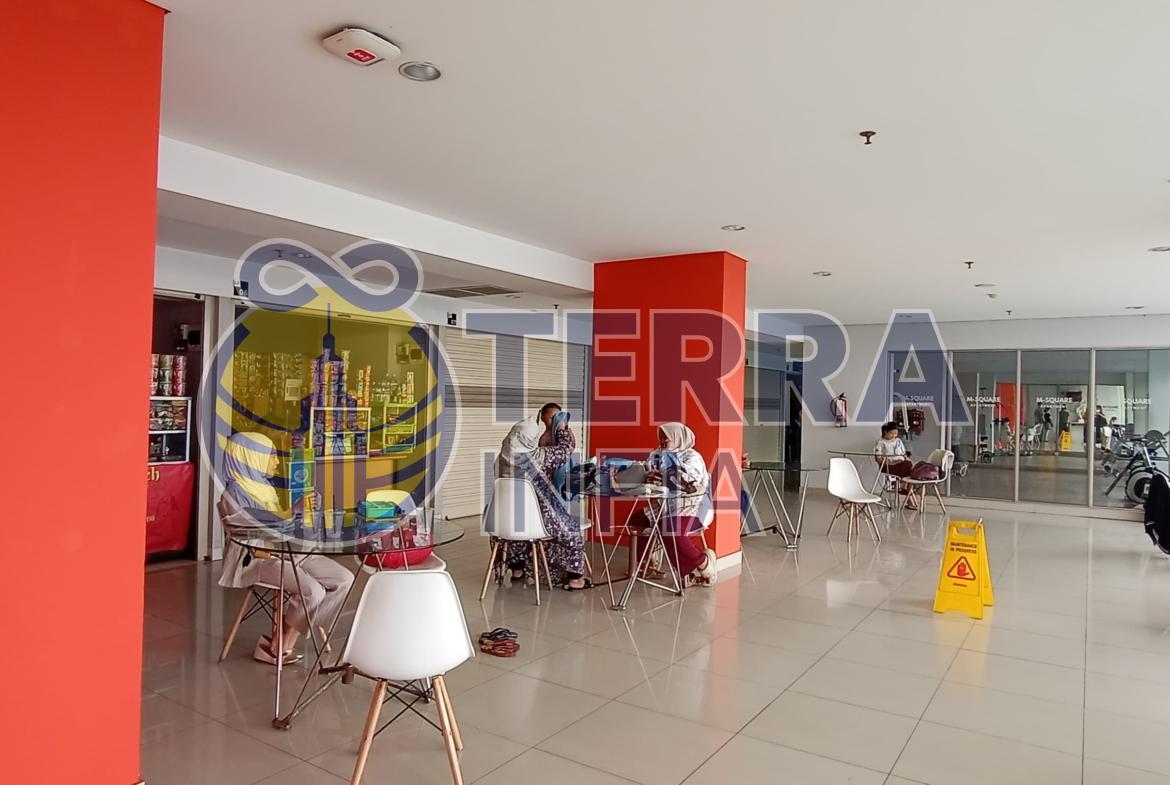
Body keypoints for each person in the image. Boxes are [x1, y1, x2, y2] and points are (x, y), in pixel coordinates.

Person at [218, 432, 355, 666]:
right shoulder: (235, 493)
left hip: (287, 551)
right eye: (270, 455)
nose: (276, 461)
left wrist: (305, 510)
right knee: (312, 592)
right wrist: (294, 511)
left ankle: (280, 641)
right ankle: (282, 647)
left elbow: (279, 524)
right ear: (251, 457)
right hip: (257, 559)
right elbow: (258, 527)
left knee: (344, 579)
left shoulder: (263, 488)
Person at [494, 405, 589, 590]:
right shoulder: (535, 456)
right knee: (571, 531)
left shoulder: (501, 459)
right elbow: (566, 449)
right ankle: (575, 579)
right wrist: (562, 428)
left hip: (506, 521)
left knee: (518, 531)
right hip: (536, 518)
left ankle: (517, 570)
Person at [637, 423, 716, 587]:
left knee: (670, 529)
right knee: (637, 521)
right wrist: (645, 474)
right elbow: (645, 470)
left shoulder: (692, 456)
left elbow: (688, 480)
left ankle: (703, 563)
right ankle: (648, 564)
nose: (662, 441)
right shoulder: (657, 454)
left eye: (666, 437)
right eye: (661, 437)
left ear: (678, 437)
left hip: (691, 506)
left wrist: (664, 475)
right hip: (664, 505)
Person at [875, 421, 918, 510]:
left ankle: (903, 487)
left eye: (896, 433)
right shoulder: (881, 443)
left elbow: (903, 454)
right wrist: (891, 463)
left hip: (902, 465)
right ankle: (907, 496)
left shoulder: (898, 441)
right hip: (888, 466)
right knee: (909, 473)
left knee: (910, 468)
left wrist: (906, 458)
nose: (894, 435)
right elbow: (878, 458)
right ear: (885, 432)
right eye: (892, 433)